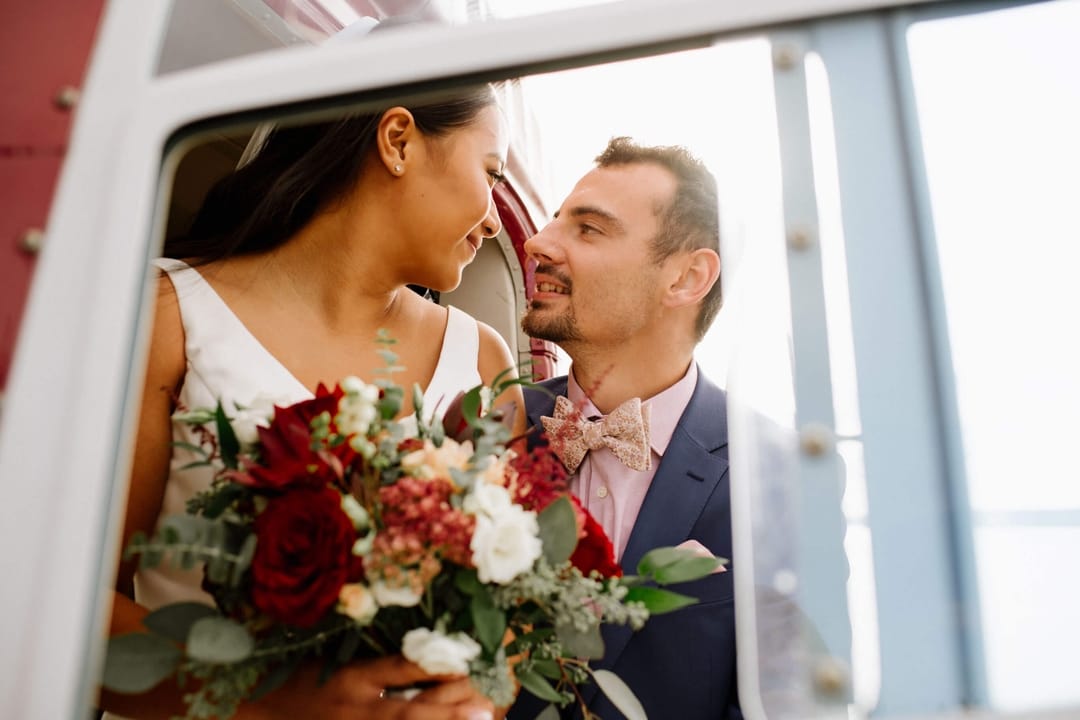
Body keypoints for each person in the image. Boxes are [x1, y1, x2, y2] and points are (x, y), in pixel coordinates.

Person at [101, 84, 524, 720]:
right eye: (490, 172)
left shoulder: (484, 359)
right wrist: (266, 698)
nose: (493, 218)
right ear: (398, 141)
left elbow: (510, 623)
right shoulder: (168, 313)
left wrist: (483, 683)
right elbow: (72, 607)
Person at [508, 137, 740, 719]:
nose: (537, 243)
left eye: (588, 229)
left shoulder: (772, 474)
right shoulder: (493, 429)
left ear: (687, 277)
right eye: (554, 220)